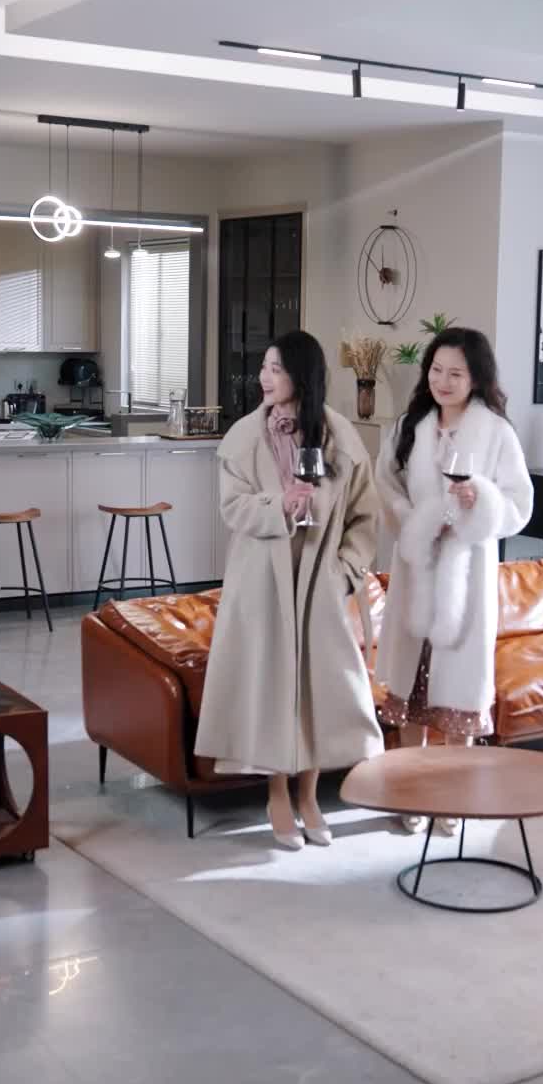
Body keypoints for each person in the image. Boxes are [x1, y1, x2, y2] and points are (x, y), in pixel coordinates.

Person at [196, 329, 383, 849]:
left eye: (275, 368)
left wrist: (344, 570)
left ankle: (310, 796)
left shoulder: (340, 438)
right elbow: (232, 508)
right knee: (272, 689)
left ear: (302, 374)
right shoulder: (243, 437)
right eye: (264, 367)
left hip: (320, 581)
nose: (264, 377)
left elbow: (365, 518)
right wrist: (278, 505)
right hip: (261, 582)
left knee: (318, 690)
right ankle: (277, 795)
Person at [375, 328, 532, 829]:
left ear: (476, 378)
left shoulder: (497, 433)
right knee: (410, 689)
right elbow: (386, 484)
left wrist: (480, 499)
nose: (442, 381)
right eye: (436, 370)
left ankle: (452, 797)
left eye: (455, 374)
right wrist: (416, 520)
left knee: (458, 691)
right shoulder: (408, 426)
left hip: (466, 577)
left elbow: (519, 504)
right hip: (416, 568)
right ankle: (411, 794)